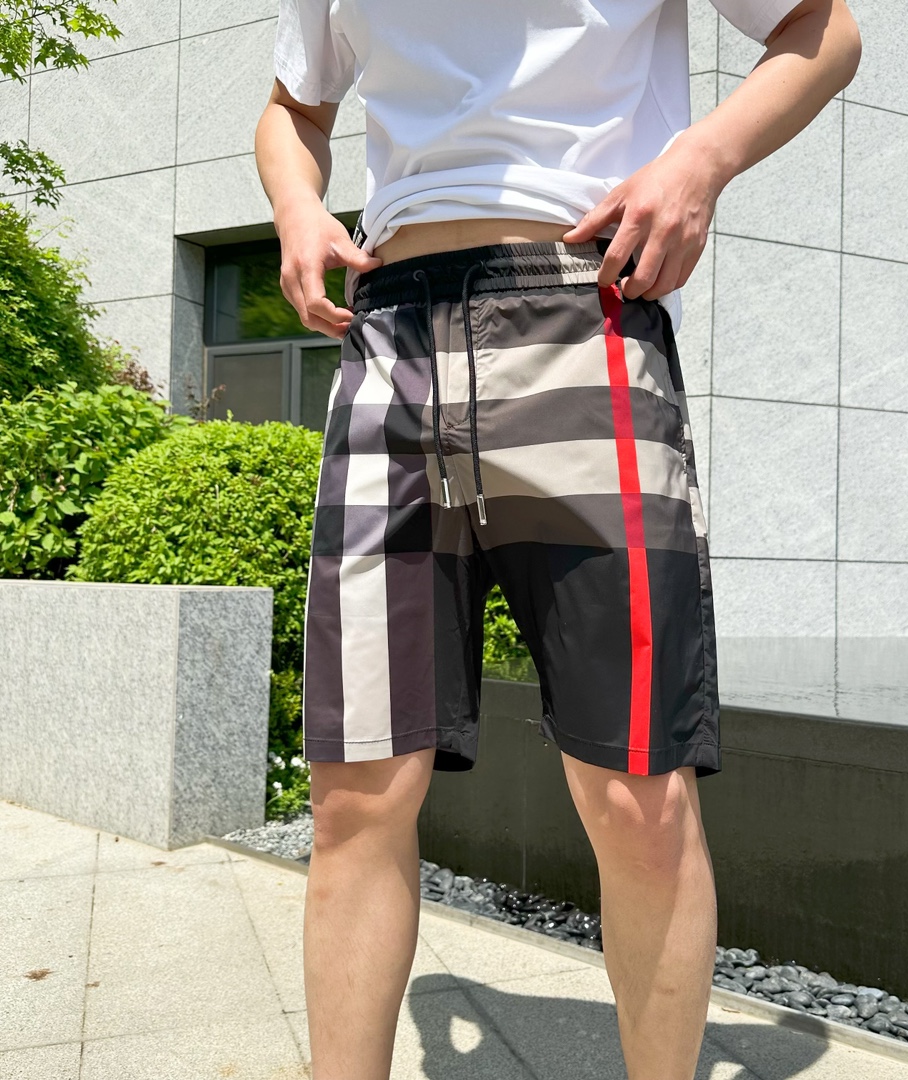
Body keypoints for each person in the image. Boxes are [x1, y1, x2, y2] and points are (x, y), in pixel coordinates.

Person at [255, 1, 860, 1076]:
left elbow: (825, 30)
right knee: (355, 795)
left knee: (638, 795)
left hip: (578, 312)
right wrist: (298, 208)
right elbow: (294, 108)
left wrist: (702, 160)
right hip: (389, 338)